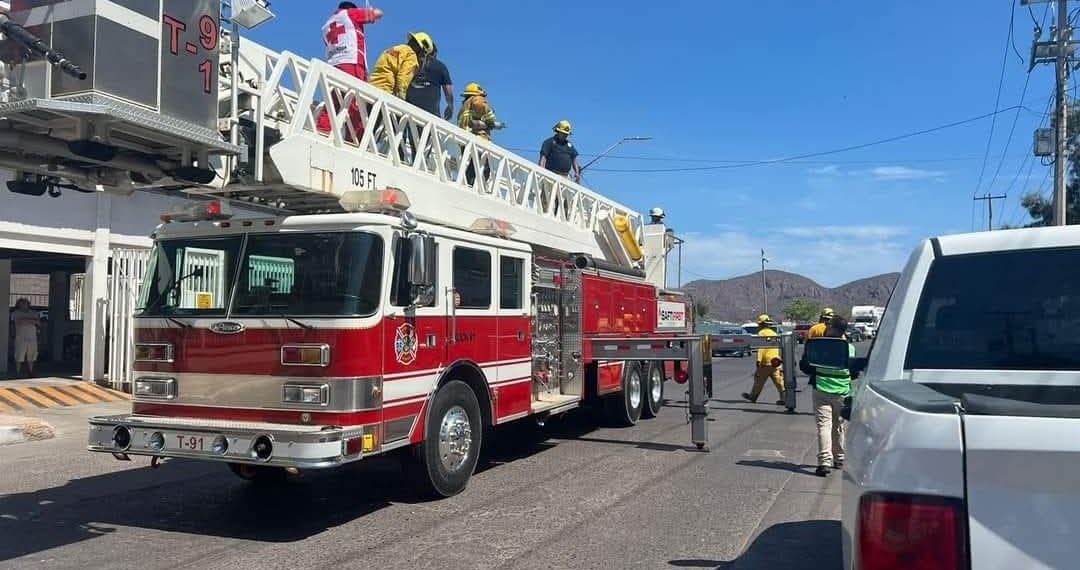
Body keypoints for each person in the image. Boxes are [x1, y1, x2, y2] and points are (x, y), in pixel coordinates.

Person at [315, 2, 383, 138]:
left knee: (333, 102)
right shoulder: (351, 13)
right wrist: (368, 12)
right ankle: (355, 141)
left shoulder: (326, 25)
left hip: (333, 65)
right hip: (351, 63)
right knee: (356, 105)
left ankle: (321, 132)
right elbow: (378, 13)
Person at [804, 316, 854, 477]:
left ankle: (824, 462)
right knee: (838, 426)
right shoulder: (849, 347)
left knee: (823, 426)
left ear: (832, 328)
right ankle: (839, 459)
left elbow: (806, 366)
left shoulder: (819, 346)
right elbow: (852, 371)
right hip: (842, 391)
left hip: (821, 390)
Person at [458, 82, 502, 186]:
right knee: (483, 168)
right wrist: (490, 122)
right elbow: (480, 105)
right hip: (478, 139)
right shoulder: (477, 99)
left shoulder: (465, 105)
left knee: (470, 168)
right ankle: (477, 186)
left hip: (465, 138)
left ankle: (469, 184)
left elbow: (466, 121)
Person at [370, 32, 435, 99]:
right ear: (421, 49)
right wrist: (401, 97)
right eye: (424, 54)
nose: (422, 57)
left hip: (372, 87)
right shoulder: (411, 56)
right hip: (384, 93)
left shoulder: (397, 48)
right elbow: (403, 78)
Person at [742, 314, 785, 405]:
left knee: (759, 381)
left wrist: (759, 360)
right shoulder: (774, 333)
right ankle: (784, 398)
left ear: (761, 324)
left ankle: (753, 397)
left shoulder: (761, 333)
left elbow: (761, 348)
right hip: (775, 362)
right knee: (779, 382)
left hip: (765, 362)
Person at [406, 43, 454, 120]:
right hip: (431, 112)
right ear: (434, 53)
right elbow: (448, 91)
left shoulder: (413, 62)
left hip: (409, 108)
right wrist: (450, 106)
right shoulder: (441, 66)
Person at [12, 298, 41, 377]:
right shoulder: (16, 313)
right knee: (19, 355)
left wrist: (26, 320)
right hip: (20, 337)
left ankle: (31, 372)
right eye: (21, 304)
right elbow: (19, 322)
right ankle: (17, 372)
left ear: (28, 304)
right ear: (18, 305)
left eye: (25, 303)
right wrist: (32, 320)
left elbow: (38, 323)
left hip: (32, 337)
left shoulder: (34, 313)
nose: (24, 305)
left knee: (32, 356)